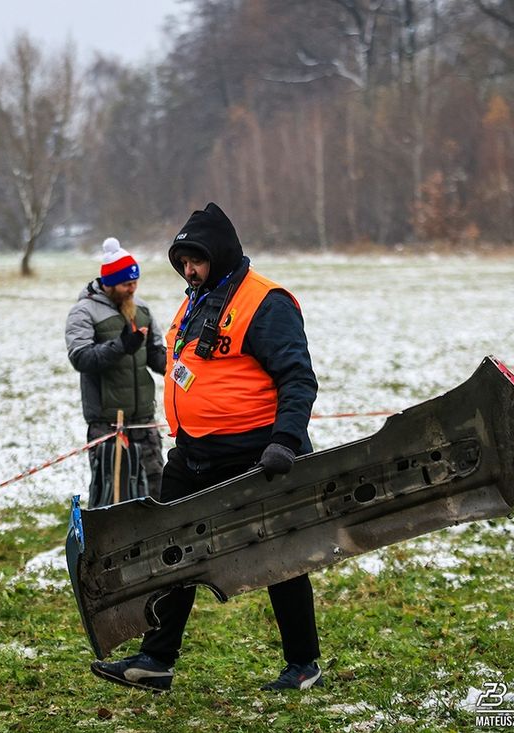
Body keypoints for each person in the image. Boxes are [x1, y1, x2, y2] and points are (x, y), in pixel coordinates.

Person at [89, 202, 322, 693]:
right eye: (182, 262)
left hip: (254, 454)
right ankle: (156, 659)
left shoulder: (266, 302)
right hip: (192, 453)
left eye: (195, 261)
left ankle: (303, 663)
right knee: (168, 549)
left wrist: (285, 441)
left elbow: (298, 378)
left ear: (220, 254)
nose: (187, 270)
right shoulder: (196, 299)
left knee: (278, 553)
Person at [65, 238, 166, 504]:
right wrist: (120, 346)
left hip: (144, 423)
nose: (132, 289)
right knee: (113, 501)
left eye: (135, 283)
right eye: (126, 284)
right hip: (108, 426)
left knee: (157, 494)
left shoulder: (141, 309)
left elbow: (157, 355)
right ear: (109, 283)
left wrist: (182, 365)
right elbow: (81, 357)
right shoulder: (83, 312)